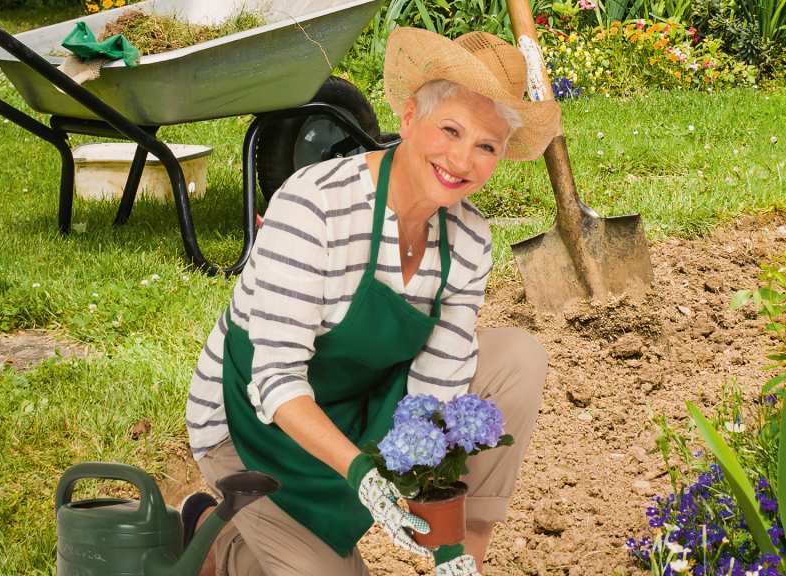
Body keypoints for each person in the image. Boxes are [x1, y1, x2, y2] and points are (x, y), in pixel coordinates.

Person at [182, 26, 561, 576]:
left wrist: (446, 535)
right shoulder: (316, 208)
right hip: (252, 427)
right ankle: (215, 538)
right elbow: (276, 383)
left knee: (517, 358)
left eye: (486, 146)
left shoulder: (469, 240)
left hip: (360, 407)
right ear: (409, 119)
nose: (461, 159)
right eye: (450, 129)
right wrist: (362, 473)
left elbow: (438, 389)